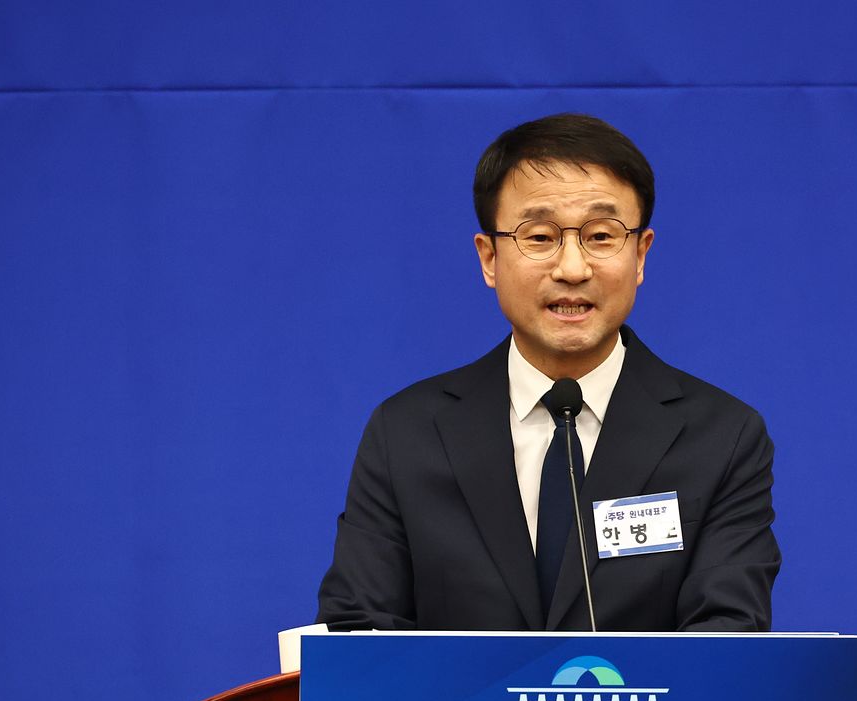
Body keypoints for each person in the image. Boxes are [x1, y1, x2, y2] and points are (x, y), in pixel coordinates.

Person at [317, 113, 780, 632]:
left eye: (601, 236)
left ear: (640, 254)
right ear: (489, 258)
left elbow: (728, 635)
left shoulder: (722, 438)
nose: (572, 269)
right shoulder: (406, 434)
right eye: (539, 237)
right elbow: (357, 633)